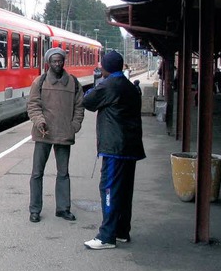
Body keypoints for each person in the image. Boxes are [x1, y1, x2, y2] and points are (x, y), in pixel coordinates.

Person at [82, 51, 145, 250]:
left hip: (114, 148)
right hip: (130, 147)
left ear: (105, 67)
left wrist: (97, 82)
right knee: (125, 190)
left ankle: (106, 236)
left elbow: (88, 101)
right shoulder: (128, 85)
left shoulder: (109, 85)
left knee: (108, 188)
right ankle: (122, 231)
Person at [27, 47, 85, 223]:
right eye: (54, 61)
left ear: (63, 61)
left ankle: (63, 209)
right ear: (48, 63)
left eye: (60, 60)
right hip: (43, 133)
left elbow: (79, 106)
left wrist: (74, 126)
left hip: (64, 133)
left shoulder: (73, 82)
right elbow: (33, 105)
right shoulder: (40, 81)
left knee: (63, 173)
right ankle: (35, 210)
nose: (57, 64)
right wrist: (39, 121)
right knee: (37, 173)